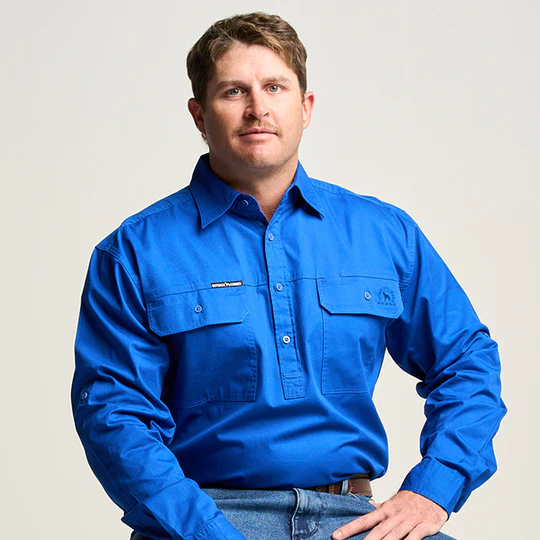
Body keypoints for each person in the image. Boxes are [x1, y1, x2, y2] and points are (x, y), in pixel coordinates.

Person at [71, 12, 506, 540]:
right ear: (199, 115)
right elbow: (115, 414)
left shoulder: (382, 233)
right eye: (234, 91)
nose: (257, 108)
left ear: (305, 107)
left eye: (274, 87)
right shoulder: (134, 252)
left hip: (354, 519)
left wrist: (434, 489)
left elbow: (466, 360)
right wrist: (207, 533)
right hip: (207, 519)